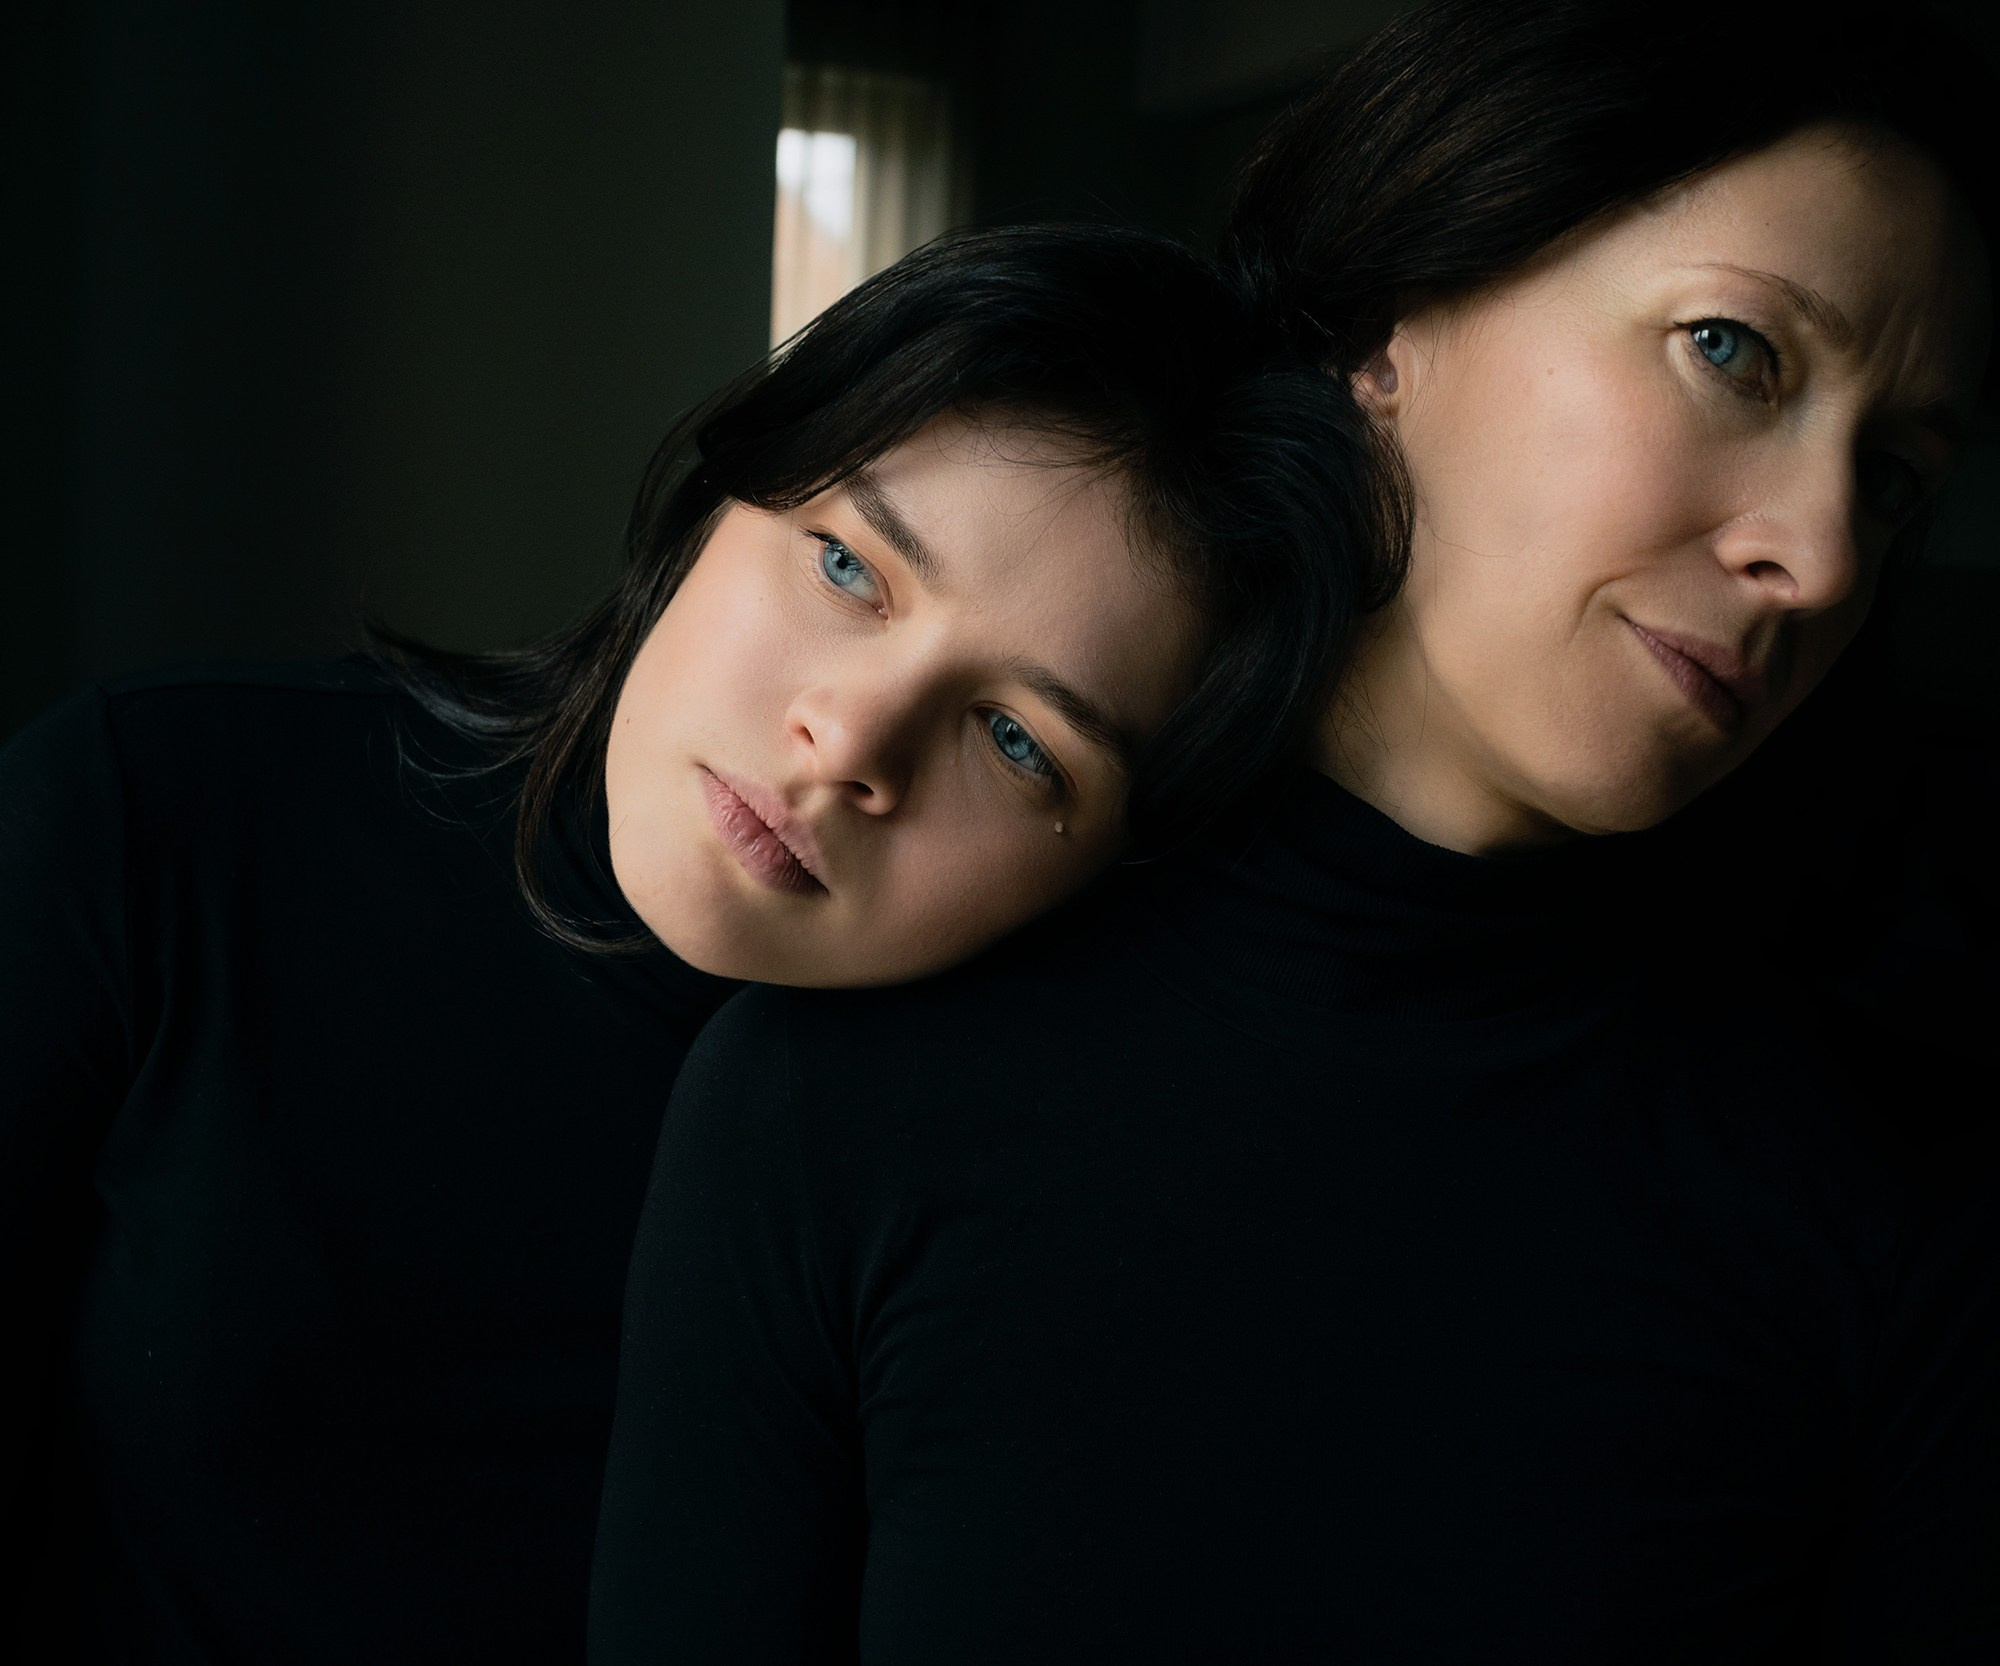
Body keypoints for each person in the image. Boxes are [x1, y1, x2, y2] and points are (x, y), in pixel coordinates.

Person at [587, 3, 1999, 1660]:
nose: (1823, 555)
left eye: (1893, 477)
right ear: (1395, 322)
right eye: (1735, 352)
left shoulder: (1886, 1202)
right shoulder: (841, 1101)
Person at [0, 225, 1384, 1661]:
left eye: (1017, 738)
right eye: (849, 566)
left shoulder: (1032, 1208)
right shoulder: (154, 820)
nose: (847, 741)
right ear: (726, 490)